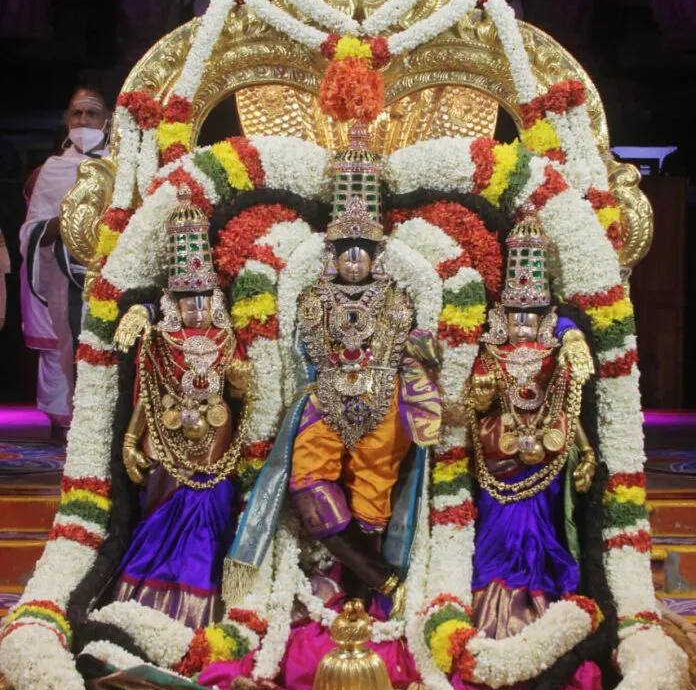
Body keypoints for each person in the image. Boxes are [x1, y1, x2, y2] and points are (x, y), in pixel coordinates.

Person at [228, 123, 442, 614]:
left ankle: (358, 593)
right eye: (344, 251)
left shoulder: (396, 297)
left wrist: (422, 352)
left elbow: (416, 348)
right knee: (308, 482)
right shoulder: (310, 298)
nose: (351, 261)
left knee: (373, 499)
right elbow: (299, 353)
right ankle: (382, 580)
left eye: (360, 253)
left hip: (383, 404)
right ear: (331, 254)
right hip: (324, 399)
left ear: (374, 256)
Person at [111, 185, 249, 628]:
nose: (195, 308)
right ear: (172, 300)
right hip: (165, 440)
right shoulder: (160, 339)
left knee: (209, 509)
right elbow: (147, 397)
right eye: (186, 299)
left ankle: (201, 609)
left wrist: (242, 388)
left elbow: (242, 399)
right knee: (161, 519)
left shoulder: (229, 339)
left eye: (202, 298)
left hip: (216, 439)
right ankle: (146, 598)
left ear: (215, 299)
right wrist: (132, 441)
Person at [466, 207, 596, 640]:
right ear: (503, 316)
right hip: (500, 459)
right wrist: (481, 392)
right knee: (496, 533)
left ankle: (539, 602)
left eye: (531, 317)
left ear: (545, 319)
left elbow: (570, 403)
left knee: (541, 534)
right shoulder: (490, 353)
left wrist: (586, 448)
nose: (522, 326)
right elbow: (476, 406)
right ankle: (493, 604)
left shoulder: (555, 354)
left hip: (544, 459)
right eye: (515, 317)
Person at [19, 87, 111, 432]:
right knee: (61, 352)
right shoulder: (53, 170)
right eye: (77, 114)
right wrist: (61, 225)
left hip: (108, 278)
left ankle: (100, 430)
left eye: (92, 113)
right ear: (66, 120)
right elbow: (29, 231)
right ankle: (63, 425)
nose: (84, 121)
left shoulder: (122, 165)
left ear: (108, 119)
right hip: (61, 278)